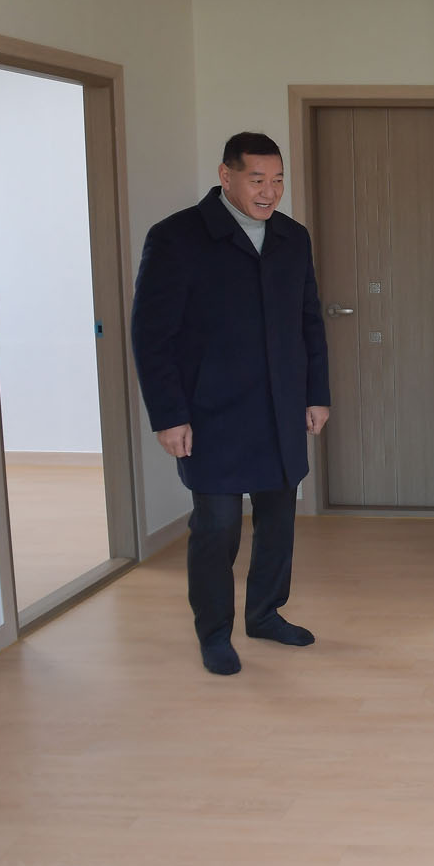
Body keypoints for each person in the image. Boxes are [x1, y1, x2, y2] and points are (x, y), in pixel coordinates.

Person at [131, 132, 331, 676]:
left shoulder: (292, 237)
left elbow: (309, 321)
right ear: (226, 176)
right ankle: (214, 632)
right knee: (217, 526)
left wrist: (316, 394)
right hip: (210, 412)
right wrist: (168, 415)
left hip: (280, 407)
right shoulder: (177, 237)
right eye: (257, 179)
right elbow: (151, 335)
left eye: (278, 180)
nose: (270, 192)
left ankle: (264, 615)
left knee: (278, 520)